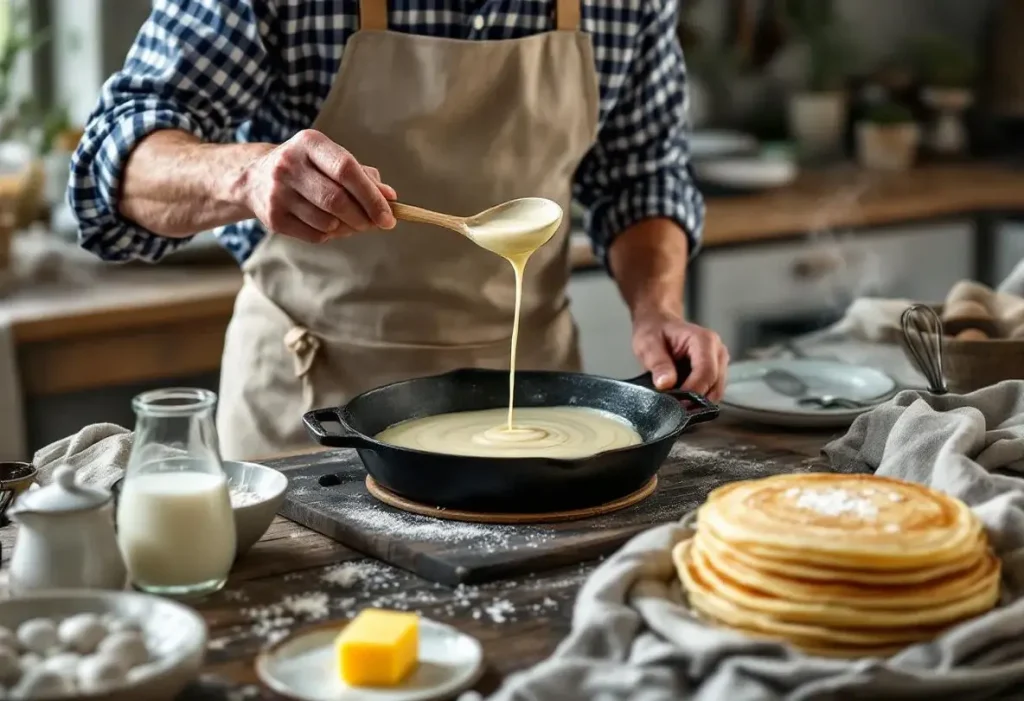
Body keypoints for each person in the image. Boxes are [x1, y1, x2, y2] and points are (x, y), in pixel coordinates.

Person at [70, 0, 729, 460]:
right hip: (312, 407)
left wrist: (657, 307)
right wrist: (245, 174)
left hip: (538, 407)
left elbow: (641, 175)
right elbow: (113, 164)